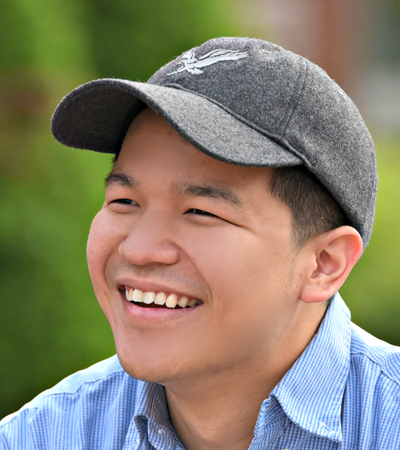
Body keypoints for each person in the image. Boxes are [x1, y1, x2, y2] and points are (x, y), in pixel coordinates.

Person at [1, 36, 399, 450]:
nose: (138, 249)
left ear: (324, 264)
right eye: (125, 201)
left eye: (200, 212)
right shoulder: (43, 435)